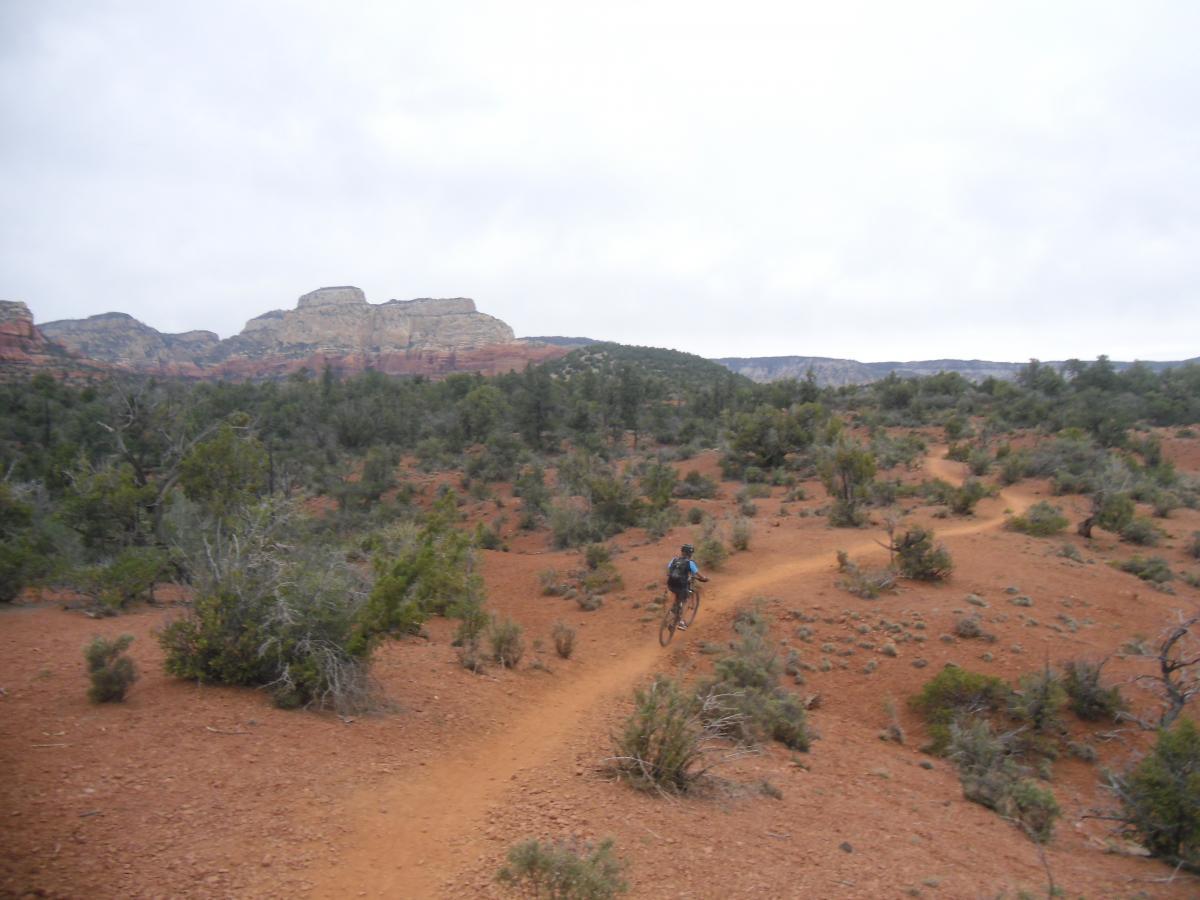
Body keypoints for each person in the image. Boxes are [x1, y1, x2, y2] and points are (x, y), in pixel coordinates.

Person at [666, 543, 708, 631]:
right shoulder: (690, 563)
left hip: (671, 583)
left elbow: (668, 569)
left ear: (682, 552)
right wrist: (703, 578)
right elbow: (697, 574)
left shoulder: (674, 560)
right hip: (681, 585)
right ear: (691, 554)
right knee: (685, 601)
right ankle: (681, 622)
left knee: (674, 594)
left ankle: (671, 613)